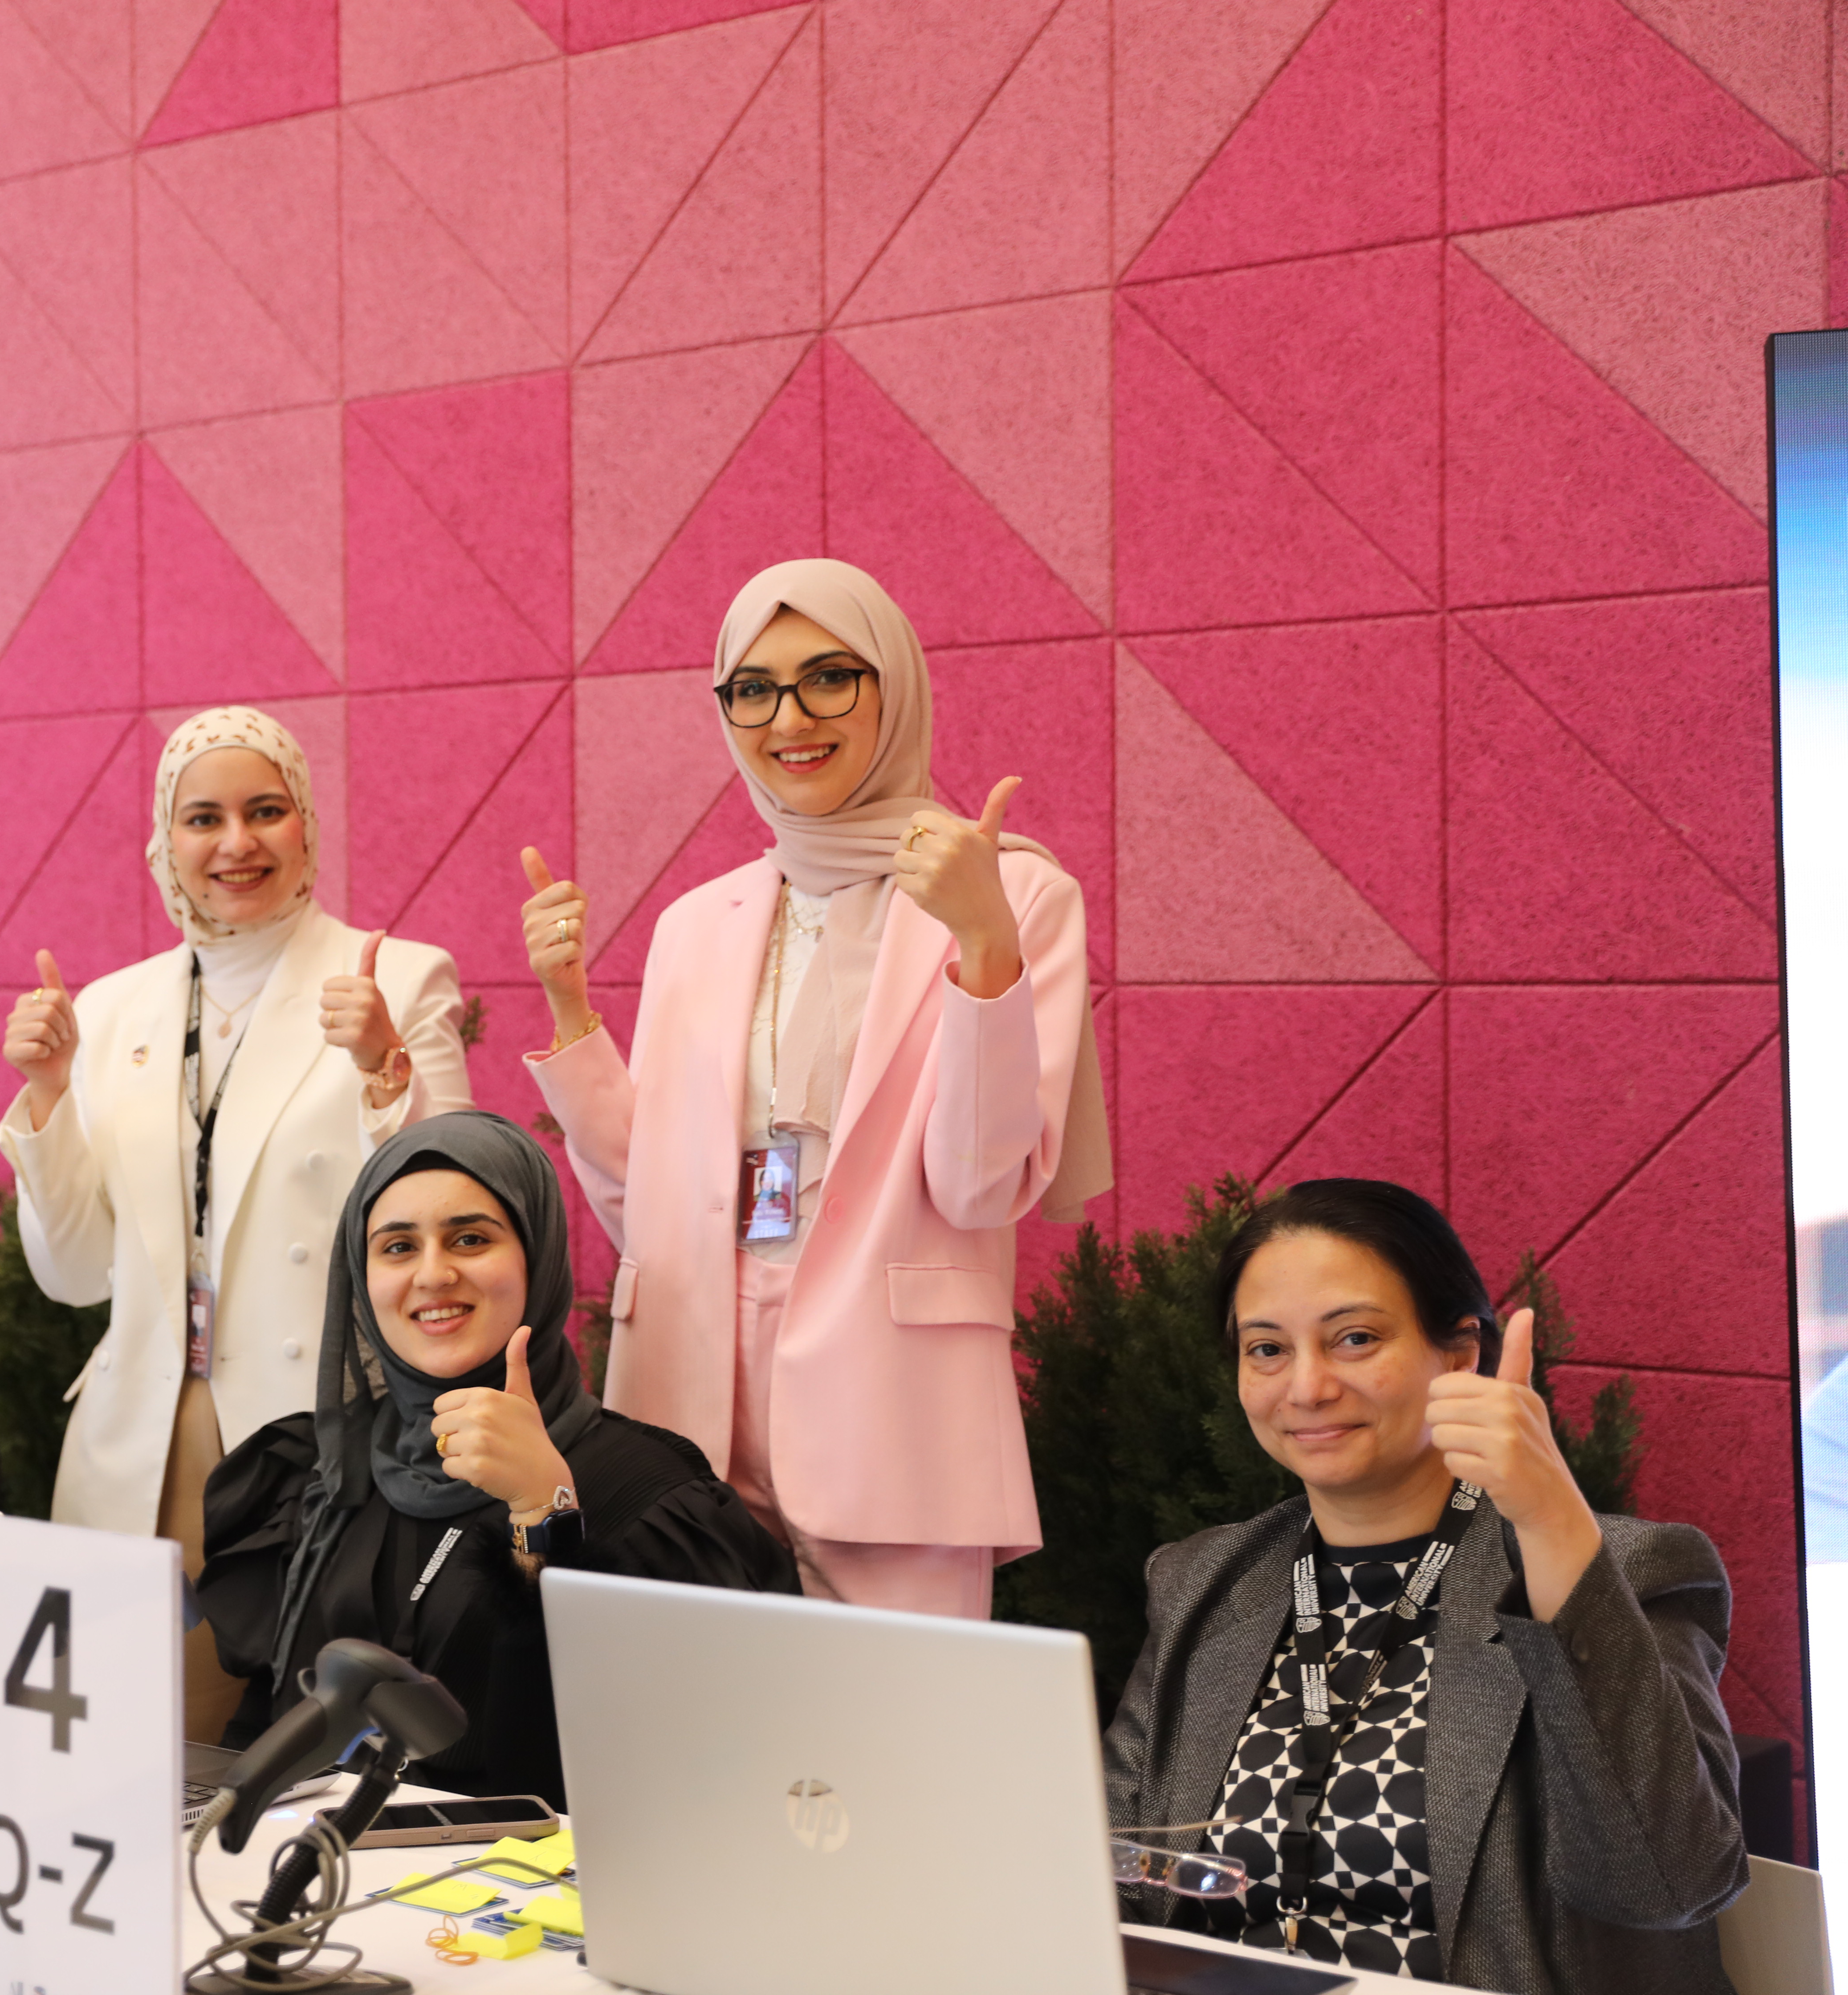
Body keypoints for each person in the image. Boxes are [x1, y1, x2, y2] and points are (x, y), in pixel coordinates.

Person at [518, 558, 1107, 1616]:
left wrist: (983, 945)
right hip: (692, 1392)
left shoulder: (1013, 890)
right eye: (753, 688)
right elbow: (646, 1201)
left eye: (831, 677)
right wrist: (571, 1015)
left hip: (893, 1409)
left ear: (895, 685)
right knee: (704, 1713)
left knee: (897, 1719)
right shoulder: (697, 923)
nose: (791, 718)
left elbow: (981, 1186)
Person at [1109, 1179, 1746, 1991]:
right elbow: (1107, 1866)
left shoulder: (1617, 1569)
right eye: (1268, 1349)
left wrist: (1550, 1523)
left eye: (1355, 1339)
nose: (1306, 1388)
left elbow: (1664, 1886)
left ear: (1458, 1355)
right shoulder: (1204, 1580)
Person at [0, 706, 474, 1733]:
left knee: (273, 1735)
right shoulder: (111, 1010)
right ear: (165, 842)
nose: (236, 844)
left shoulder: (395, 976)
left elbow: (457, 1214)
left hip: (317, 1429)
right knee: (117, 1739)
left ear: (307, 822)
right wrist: (48, 1096)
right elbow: (73, 1275)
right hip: (139, 1435)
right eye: (203, 819)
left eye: (265, 811)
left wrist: (384, 1068)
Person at [199, 1112, 798, 1806]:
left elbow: (652, 1771)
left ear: (536, 1258)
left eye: (471, 1239)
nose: (433, 1274)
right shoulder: (321, 1469)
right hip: (310, 1861)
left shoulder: (650, 1494)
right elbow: (262, 1723)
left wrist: (545, 1513)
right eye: (398, 1247)